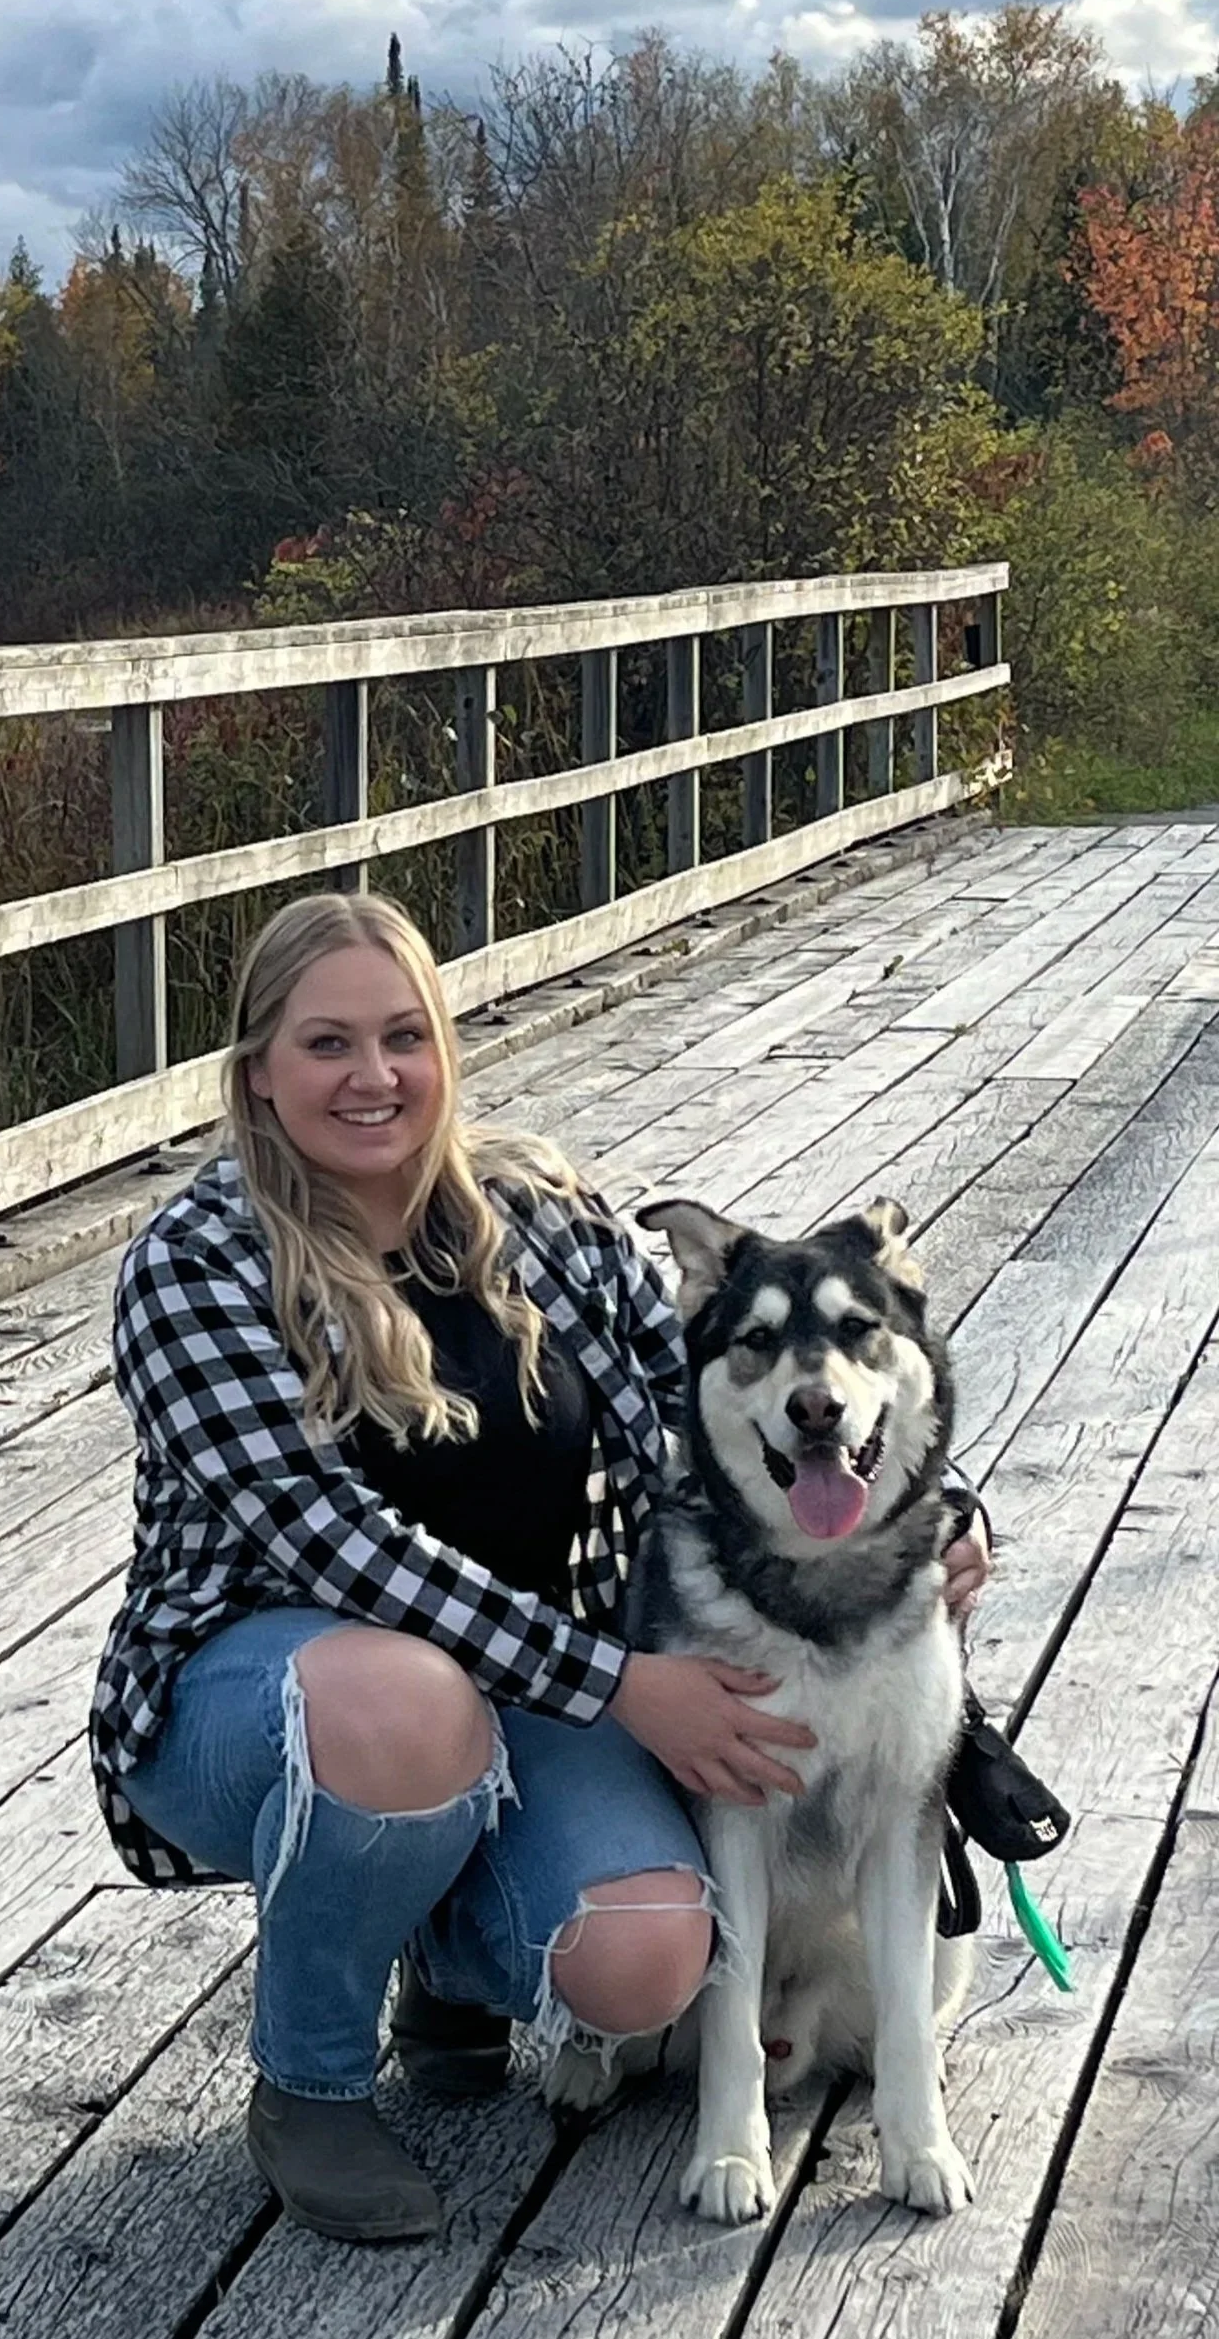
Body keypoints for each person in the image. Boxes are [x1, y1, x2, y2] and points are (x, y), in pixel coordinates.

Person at [88, 890, 993, 2244]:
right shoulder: (196, 1264)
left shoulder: (539, 1219)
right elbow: (337, 1548)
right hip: (255, 1700)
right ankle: (311, 2083)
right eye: (327, 1043)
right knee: (405, 1698)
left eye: (404, 1036)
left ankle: (443, 1943)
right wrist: (625, 1685)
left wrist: (919, 1510)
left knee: (647, 1959)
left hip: (531, 1688)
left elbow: (716, 1403)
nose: (374, 1074)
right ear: (257, 1070)